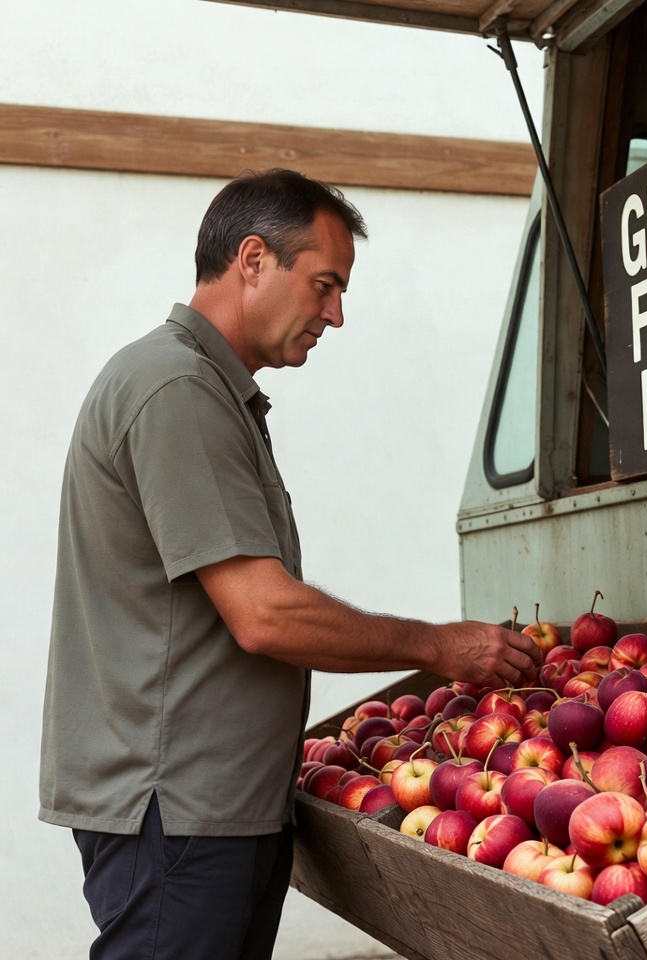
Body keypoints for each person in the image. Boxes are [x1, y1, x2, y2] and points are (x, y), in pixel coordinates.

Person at [39, 168, 542, 960]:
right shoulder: (174, 386)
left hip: (210, 806)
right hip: (176, 812)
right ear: (252, 260)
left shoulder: (202, 387)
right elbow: (264, 613)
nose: (336, 315)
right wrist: (437, 647)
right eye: (325, 285)